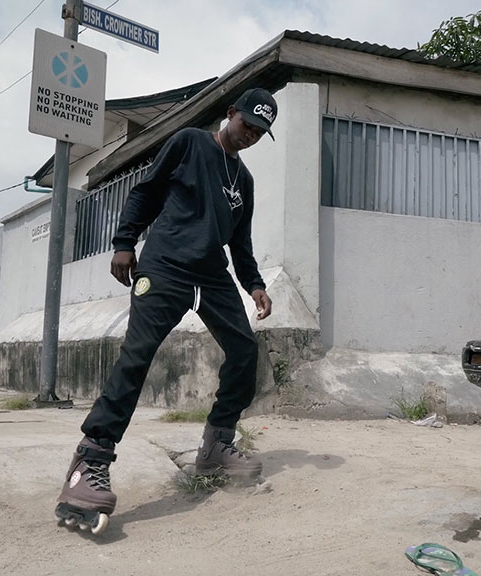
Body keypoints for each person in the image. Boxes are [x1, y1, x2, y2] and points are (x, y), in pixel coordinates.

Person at [56, 88, 278, 532]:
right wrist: (124, 242)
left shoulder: (245, 182)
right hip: (166, 265)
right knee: (136, 357)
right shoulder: (191, 142)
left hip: (212, 275)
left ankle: (216, 446)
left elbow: (241, 241)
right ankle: (90, 463)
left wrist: (253, 284)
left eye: (259, 131)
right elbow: (146, 192)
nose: (250, 134)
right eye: (247, 123)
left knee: (244, 351)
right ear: (230, 114)